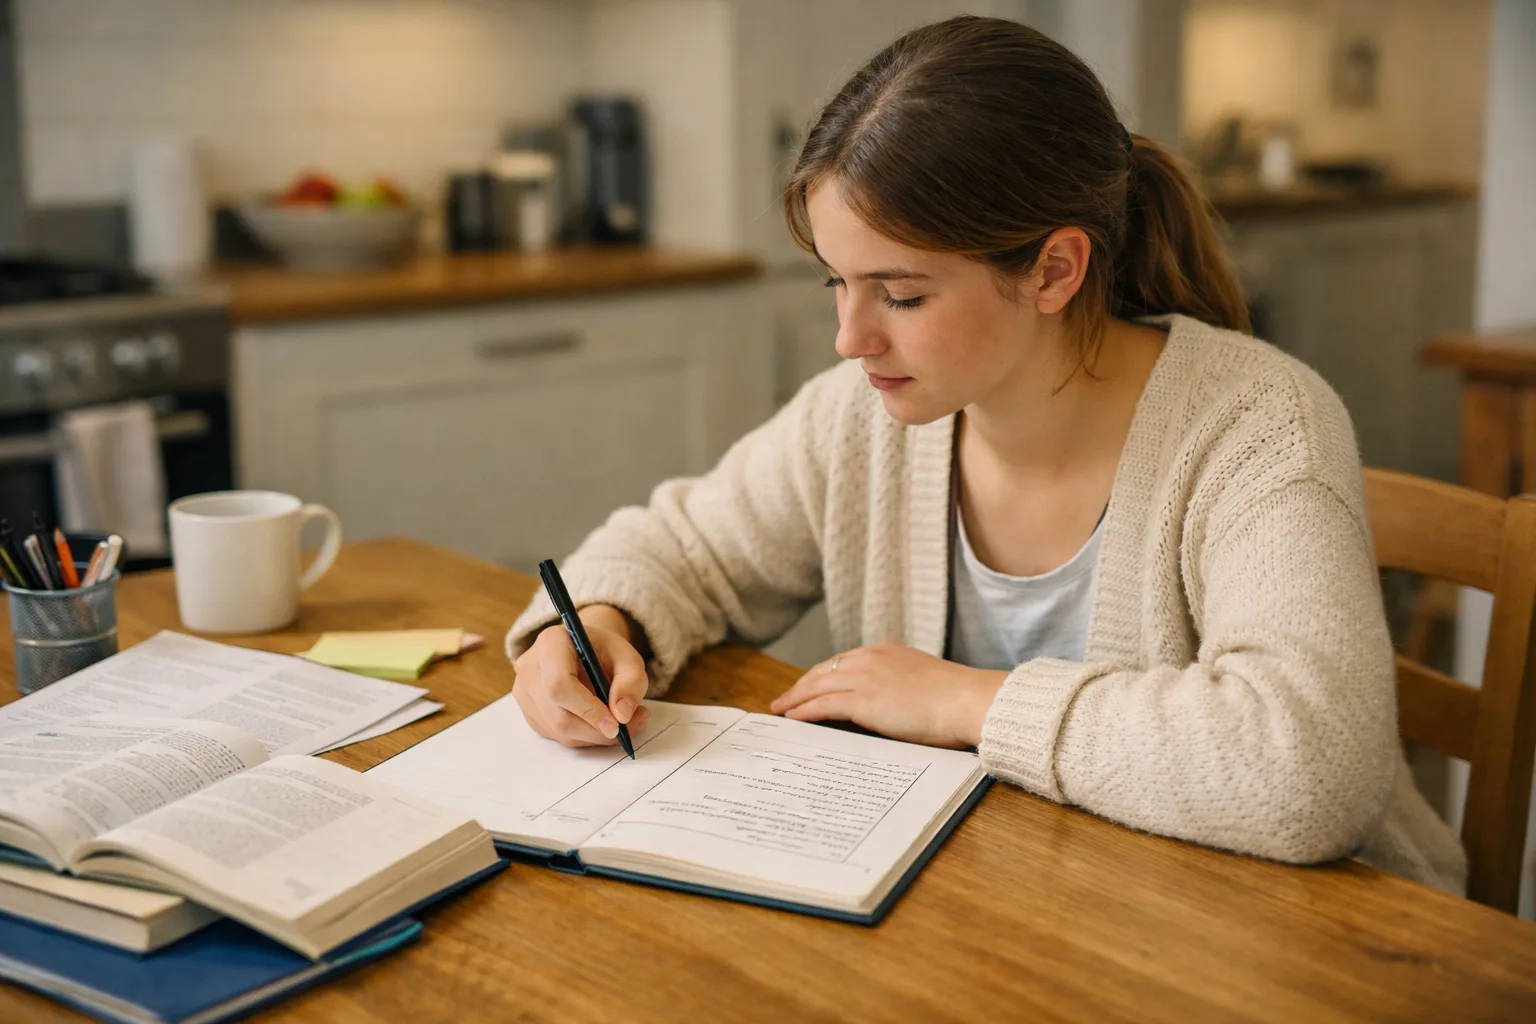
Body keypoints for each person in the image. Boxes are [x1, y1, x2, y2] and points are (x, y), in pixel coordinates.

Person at [505, 15, 1465, 894]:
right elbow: (686, 549)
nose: (850, 338)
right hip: (1018, 906)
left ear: (1054, 269)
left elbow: (1306, 771)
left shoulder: (1259, 427)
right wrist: (593, 623)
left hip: (1294, 940)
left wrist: (968, 702)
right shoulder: (860, 416)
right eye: (838, 282)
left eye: (902, 295)